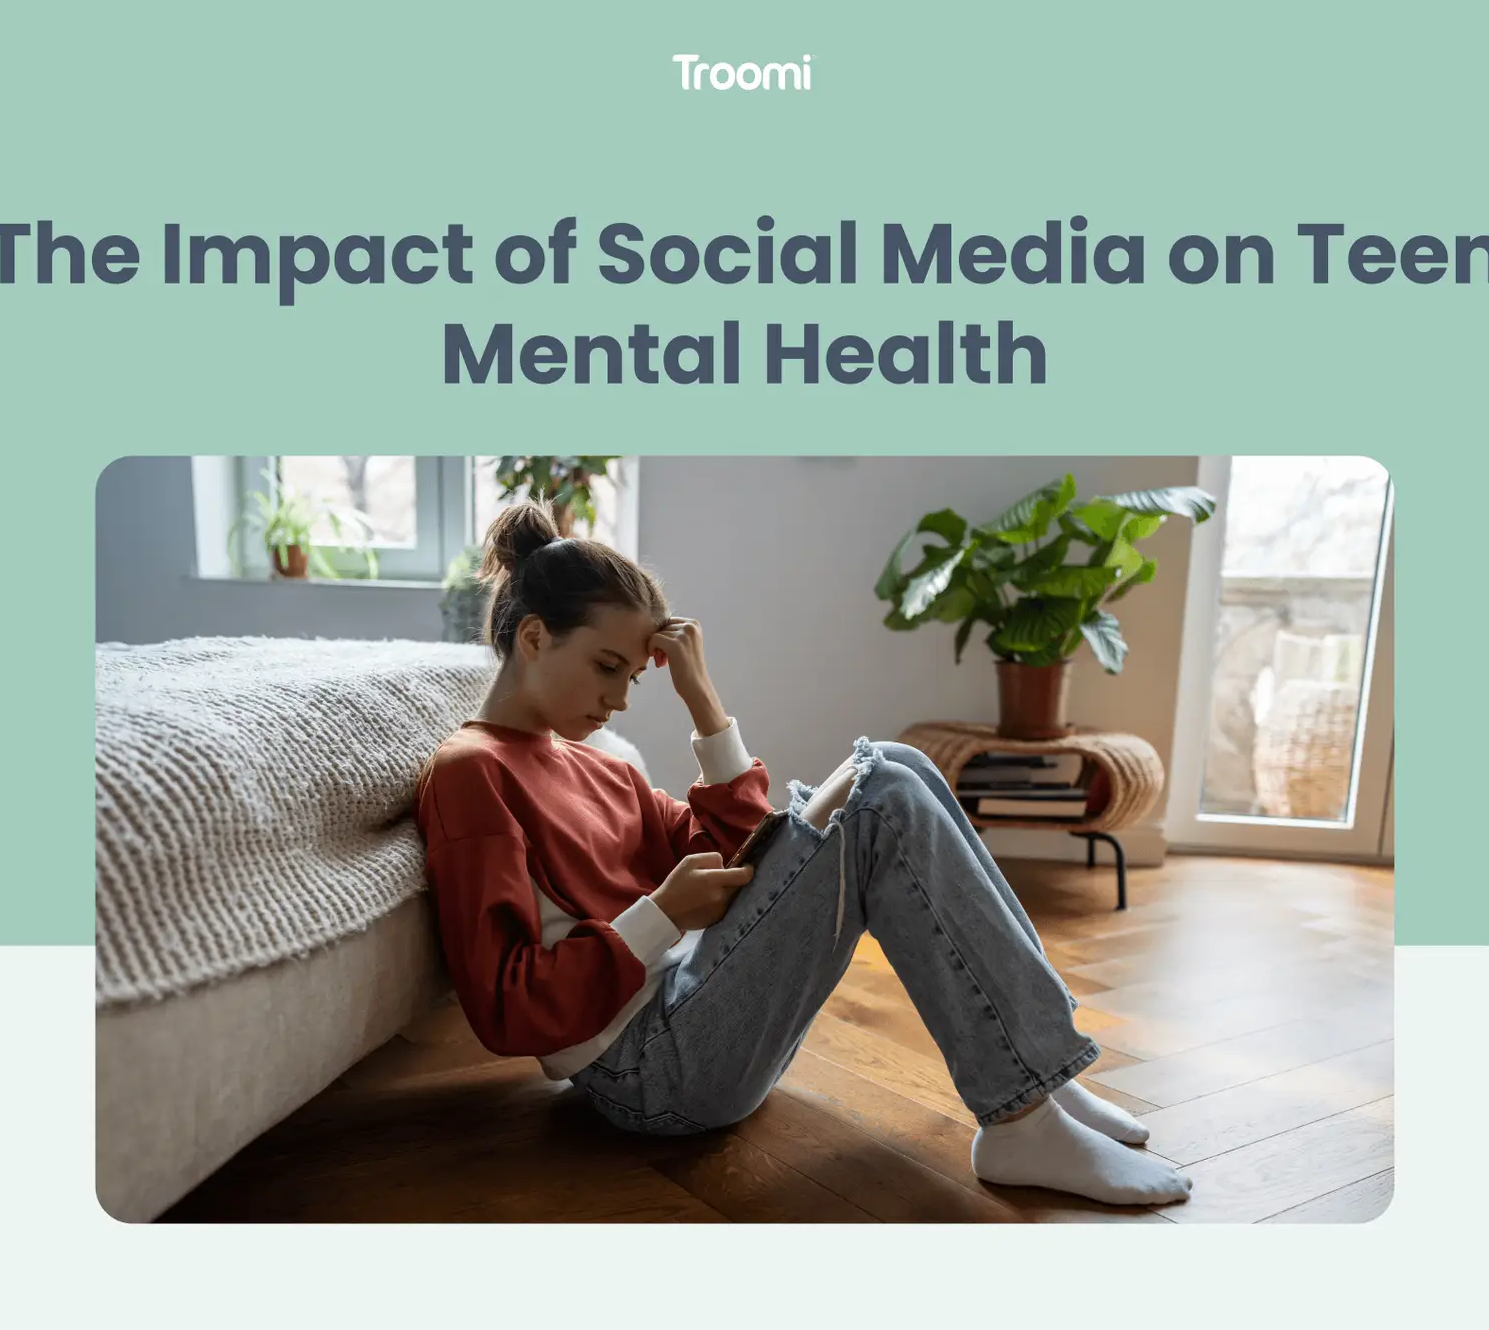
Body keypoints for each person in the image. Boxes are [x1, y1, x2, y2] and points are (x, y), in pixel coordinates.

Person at [415, 499, 1192, 1207]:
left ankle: (1038, 1076)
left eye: (632, 677)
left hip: (692, 1006)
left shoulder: (598, 765)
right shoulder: (472, 773)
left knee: (892, 762)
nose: (619, 698)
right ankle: (1023, 1111)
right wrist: (658, 917)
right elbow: (504, 1006)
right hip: (648, 1077)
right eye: (606, 667)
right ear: (532, 637)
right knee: (879, 793)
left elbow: (740, 846)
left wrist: (702, 699)